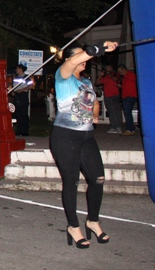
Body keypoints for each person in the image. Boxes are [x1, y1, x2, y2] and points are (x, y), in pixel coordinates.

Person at [51, 42, 117, 249]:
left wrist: (95, 115)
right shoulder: (63, 76)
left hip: (87, 137)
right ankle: (73, 226)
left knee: (98, 179)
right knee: (71, 182)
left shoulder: (86, 81)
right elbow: (72, 61)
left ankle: (93, 221)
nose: (85, 59)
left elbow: (94, 102)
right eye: (80, 55)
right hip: (65, 136)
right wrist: (96, 49)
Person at [9, 64, 34, 136]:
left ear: (21, 69)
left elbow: (31, 86)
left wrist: (22, 90)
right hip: (16, 95)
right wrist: (12, 91)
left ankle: (24, 131)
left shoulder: (26, 77)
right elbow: (13, 86)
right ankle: (19, 130)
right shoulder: (16, 77)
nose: (16, 70)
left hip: (23, 95)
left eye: (17, 69)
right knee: (18, 114)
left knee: (23, 114)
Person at [98, 65, 123, 133]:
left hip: (115, 95)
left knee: (116, 112)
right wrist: (100, 75)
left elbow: (116, 79)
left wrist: (109, 74)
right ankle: (113, 127)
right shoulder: (105, 77)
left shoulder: (116, 74)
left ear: (111, 68)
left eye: (108, 68)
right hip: (107, 96)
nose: (107, 69)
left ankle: (118, 127)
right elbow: (97, 83)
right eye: (106, 68)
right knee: (110, 112)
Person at [117, 65, 138, 135]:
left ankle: (129, 129)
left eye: (120, 72)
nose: (120, 73)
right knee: (127, 112)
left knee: (127, 112)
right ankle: (131, 129)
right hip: (125, 96)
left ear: (124, 69)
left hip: (130, 96)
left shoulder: (131, 75)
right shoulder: (125, 77)